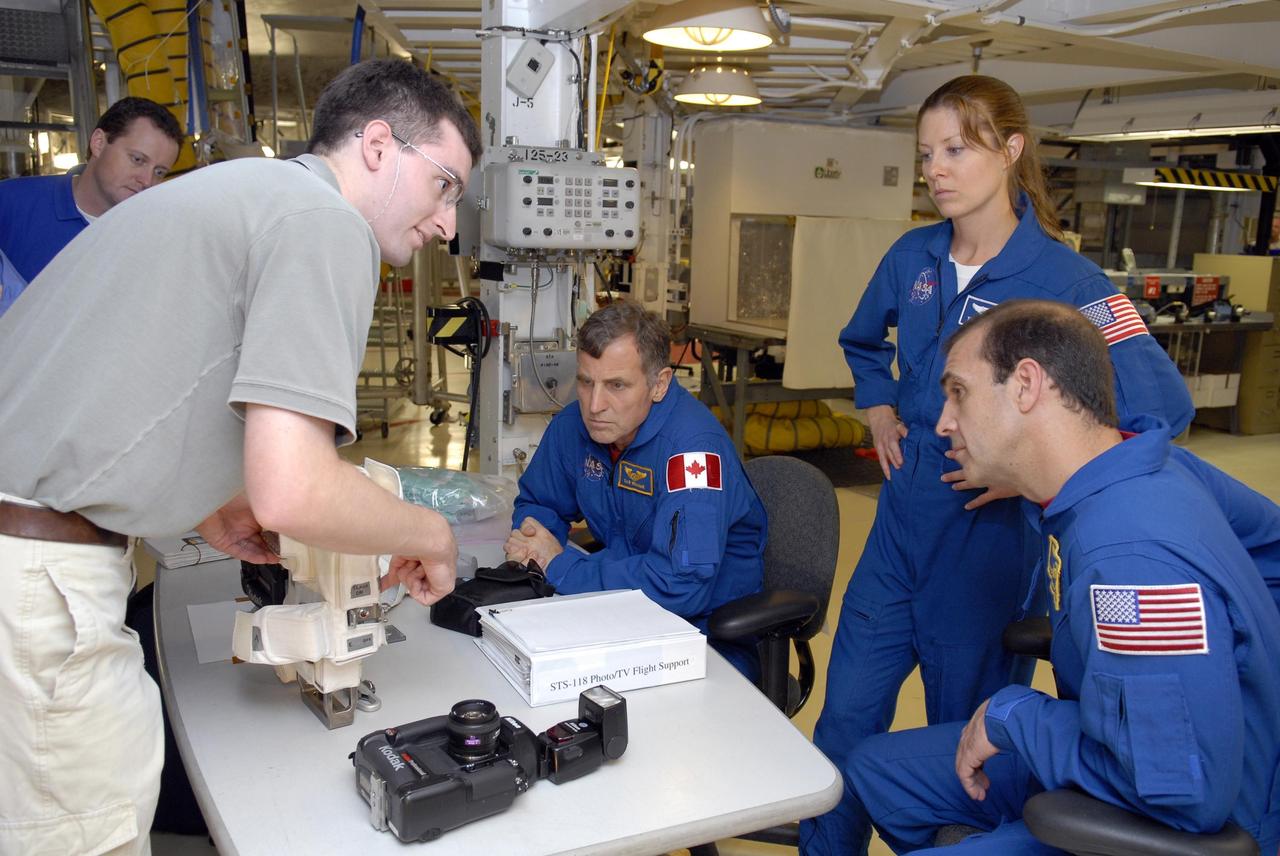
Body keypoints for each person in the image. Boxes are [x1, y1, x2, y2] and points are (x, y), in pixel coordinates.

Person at [0, 59, 481, 855]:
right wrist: (431, 534)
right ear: (375, 145)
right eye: (444, 185)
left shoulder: (244, 192)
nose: (448, 225)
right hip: (37, 587)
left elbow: (128, 382)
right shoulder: (325, 223)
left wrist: (205, 501)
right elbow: (293, 490)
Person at [802, 75, 1195, 856]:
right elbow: (860, 340)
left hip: (986, 539)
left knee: (965, 745)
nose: (937, 170)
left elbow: (1163, 407)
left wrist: (1022, 473)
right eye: (926, 155)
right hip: (898, 528)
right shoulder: (912, 256)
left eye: (956, 149)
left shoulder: (1067, 281)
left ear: (1011, 151)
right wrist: (878, 404)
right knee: (844, 720)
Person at [846, 299, 1280, 854]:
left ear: (1026, 384)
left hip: (1163, 816)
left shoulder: (1129, 557)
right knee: (874, 769)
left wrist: (1013, 714)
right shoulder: (1141, 465)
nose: (943, 421)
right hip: (1108, 744)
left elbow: (1180, 799)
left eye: (958, 392)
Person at [504, 301, 766, 678]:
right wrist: (534, 542)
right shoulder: (576, 427)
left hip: (704, 639)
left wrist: (561, 566)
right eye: (585, 381)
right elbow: (540, 501)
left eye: (617, 386)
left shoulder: (693, 454)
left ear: (659, 384)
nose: (595, 405)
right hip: (620, 616)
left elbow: (679, 585)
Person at [0, 96, 183, 313]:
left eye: (159, 172)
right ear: (98, 143)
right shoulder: (12, 203)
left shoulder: (155, 239)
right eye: (137, 159)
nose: (146, 180)